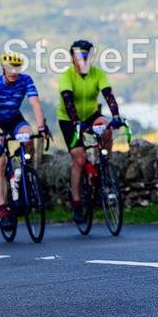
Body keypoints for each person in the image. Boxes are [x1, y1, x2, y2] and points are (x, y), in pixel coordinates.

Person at [57, 39, 124, 224]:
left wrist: (116, 116)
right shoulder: (67, 76)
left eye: (88, 56)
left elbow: (108, 95)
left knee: (106, 128)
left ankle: (104, 167)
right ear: (73, 58)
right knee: (79, 159)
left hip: (91, 114)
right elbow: (68, 102)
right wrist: (77, 122)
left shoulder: (97, 73)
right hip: (69, 119)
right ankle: (77, 202)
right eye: (80, 56)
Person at [0, 51, 51, 231]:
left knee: (28, 137)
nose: (14, 71)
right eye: (10, 68)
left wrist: (41, 126)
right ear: (3, 68)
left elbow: (35, 103)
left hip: (14, 118)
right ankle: (3, 208)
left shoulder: (25, 80)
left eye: (17, 68)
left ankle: (26, 172)